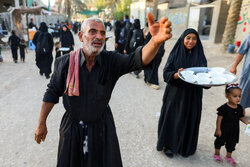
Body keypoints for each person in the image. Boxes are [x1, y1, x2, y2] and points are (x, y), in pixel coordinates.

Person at [34, 13, 172, 167]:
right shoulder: (63, 63)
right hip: (72, 128)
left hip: (102, 126)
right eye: (93, 31)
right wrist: (41, 123)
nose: (99, 36)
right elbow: (52, 93)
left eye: (102, 33)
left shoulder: (111, 61)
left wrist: (154, 41)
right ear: (81, 36)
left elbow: (137, 60)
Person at [157, 28, 208, 158]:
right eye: (188, 38)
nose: (191, 41)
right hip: (176, 94)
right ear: (183, 39)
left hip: (193, 95)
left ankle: (186, 147)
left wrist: (208, 81)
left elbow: (206, 77)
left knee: (190, 118)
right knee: (174, 119)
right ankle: (169, 146)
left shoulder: (200, 55)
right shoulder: (175, 53)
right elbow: (166, 74)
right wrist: (176, 75)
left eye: (194, 38)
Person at [213, 84, 248, 166]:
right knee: (219, 141)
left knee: (232, 144)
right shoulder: (224, 108)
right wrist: (218, 129)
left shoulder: (239, 108)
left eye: (239, 96)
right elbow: (219, 119)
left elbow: (241, 117)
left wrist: (247, 123)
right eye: (235, 96)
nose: (238, 98)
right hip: (223, 129)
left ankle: (228, 156)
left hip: (234, 131)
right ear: (227, 96)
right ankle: (217, 154)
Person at [230, 34, 250, 112]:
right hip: (248, 72)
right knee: (244, 91)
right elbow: (241, 52)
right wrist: (234, 66)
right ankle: (241, 109)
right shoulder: (249, 37)